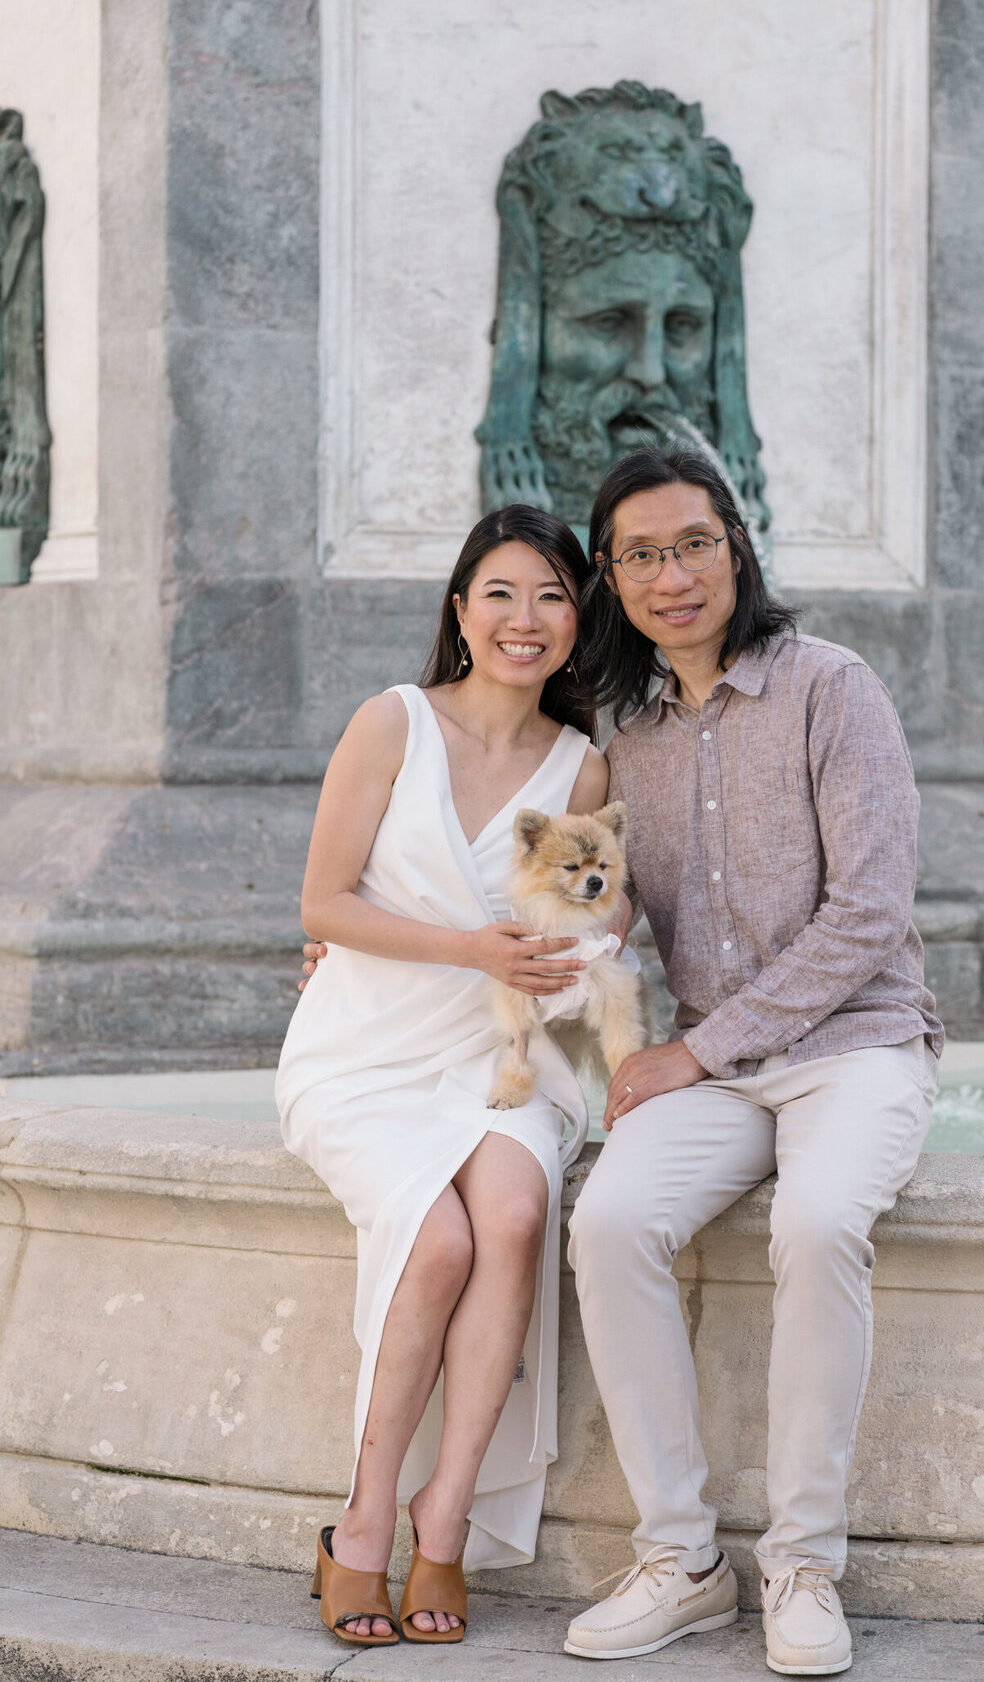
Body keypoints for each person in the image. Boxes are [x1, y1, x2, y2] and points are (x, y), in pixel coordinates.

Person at [560, 445, 942, 1675]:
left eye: (694, 545)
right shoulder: (633, 745)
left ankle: (803, 1566)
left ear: (737, 548)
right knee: (611, 1221)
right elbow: (595, 909)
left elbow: (872, 910)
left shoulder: (836, 688)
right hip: (724, 1072)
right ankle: (683, 1558)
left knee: (822, 1220)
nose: (674, 576)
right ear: (613, 580)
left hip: (857, 1044)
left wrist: (698, 1048)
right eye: (643, 556)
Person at [277, 505, 608, 1647]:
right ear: (461, 608)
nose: (527, 620)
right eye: (503, 593)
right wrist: (466, 947)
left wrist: (567, 966)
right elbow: (326, 906)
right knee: (440, 1240)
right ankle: (362, 1529)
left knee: (512, 1214)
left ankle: (446, 1523)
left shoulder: (582, 765)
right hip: (366, 1043)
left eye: (554, 597)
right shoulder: (392, 724)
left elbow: (581, 929)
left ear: (579, 620)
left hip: (501, 1054)